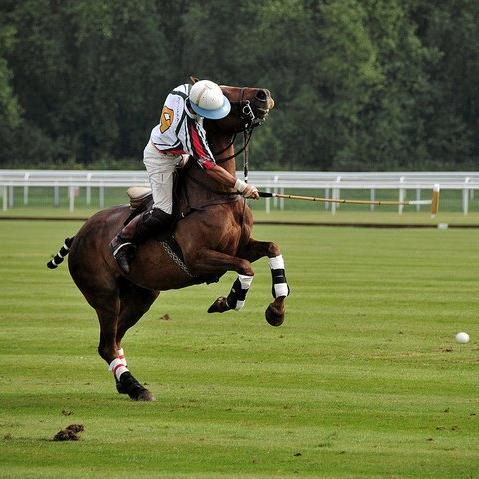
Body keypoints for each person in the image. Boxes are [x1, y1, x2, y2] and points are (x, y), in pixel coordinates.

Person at [110, 79, 260, 274]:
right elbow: (209, 166)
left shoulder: (183, 90)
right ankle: (122, 240)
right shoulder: (190, 133)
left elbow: (209, 89)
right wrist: (242, 187)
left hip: (178, 150)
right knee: (163, 211)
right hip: (161, 157)